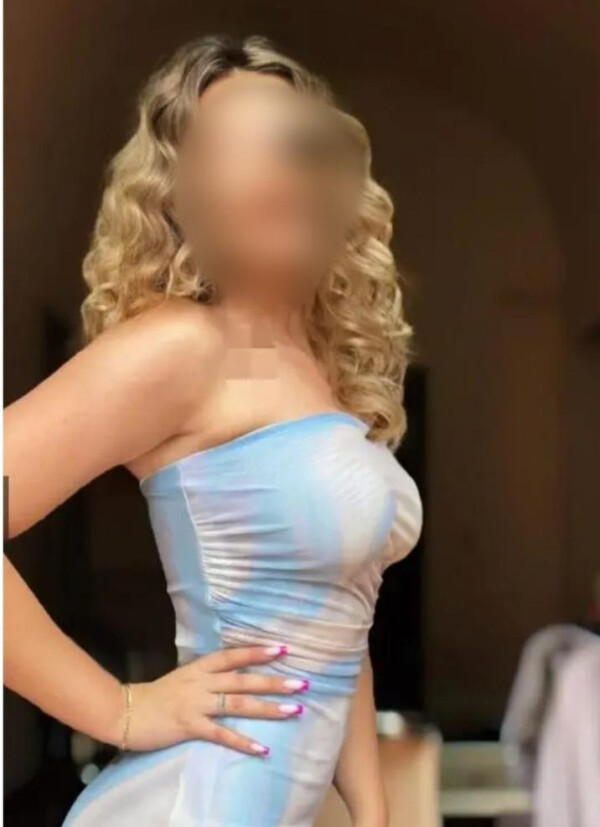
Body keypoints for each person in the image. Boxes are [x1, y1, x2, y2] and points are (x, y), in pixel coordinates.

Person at [3, 34, 423, 827]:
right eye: (235, 151)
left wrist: (374, 813)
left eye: (295, 148)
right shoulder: (182, 346)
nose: (278, 175)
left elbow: (338, 617)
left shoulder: (321, 370)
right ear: (181, 196)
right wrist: (120, 707)